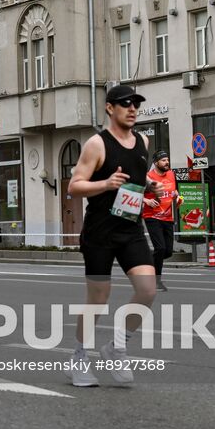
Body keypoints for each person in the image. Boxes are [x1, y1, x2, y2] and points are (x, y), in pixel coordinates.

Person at [64, 84, 160, 387]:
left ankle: (117, 346)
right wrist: (105, 184)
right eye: (125, 104)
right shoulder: (97, 144)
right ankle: (79, 356)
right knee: (98, 298)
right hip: (100, 232)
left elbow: (135, 178)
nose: (132, 109)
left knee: (147, 289)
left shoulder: (143, 141)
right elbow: (74, 186)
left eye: (136, 104)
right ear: (110, 108)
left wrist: (149, 187)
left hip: (130, 227)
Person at [142, 151, 178, 292]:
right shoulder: (148, 177)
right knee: (160, 248)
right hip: (152, 216)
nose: (166, 162)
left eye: (167, 160)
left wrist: (176, 196)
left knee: (167, 252)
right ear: (156, 163)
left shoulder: (171, 174)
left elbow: (173, 192)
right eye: (163, 160)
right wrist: (146, 200)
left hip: (168, 217)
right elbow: (134, 192)